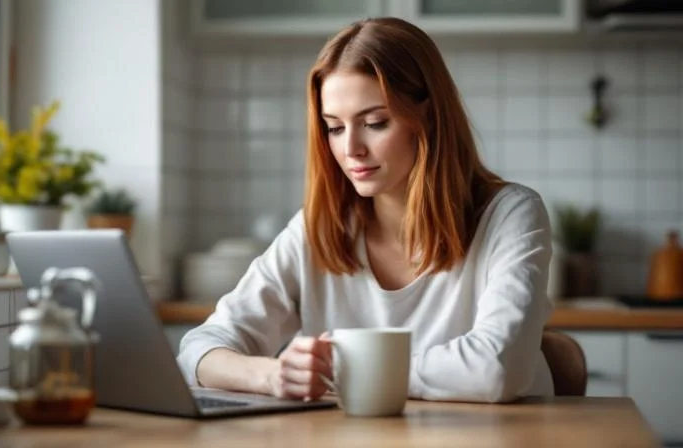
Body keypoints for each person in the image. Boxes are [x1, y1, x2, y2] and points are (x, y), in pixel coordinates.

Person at [177, 17, 554, 403]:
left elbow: (495, 368)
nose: (351, 148)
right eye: (335, 128)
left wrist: (341, 369)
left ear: (428, 116)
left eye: (375, 122)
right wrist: (273, 375)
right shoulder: (319, 228)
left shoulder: (511, 215)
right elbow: (198, 350)